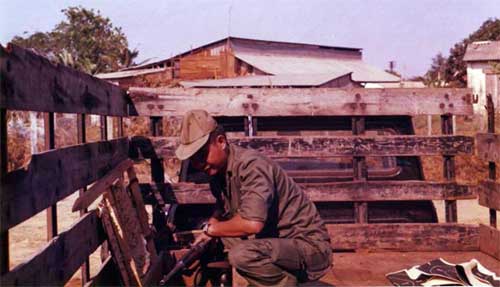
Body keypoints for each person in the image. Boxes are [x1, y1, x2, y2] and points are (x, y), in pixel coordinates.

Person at [175, 110, 332, 286]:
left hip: (308, 246)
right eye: (193, 159)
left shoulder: (252, 166)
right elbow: (223, 208)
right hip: (276, 242)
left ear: (221, 141)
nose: (198, 164)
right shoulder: (218, 172)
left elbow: (252, 223)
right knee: (217, 243)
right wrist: (210, 229)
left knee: (242, 254)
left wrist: (211, 230)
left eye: (201, 155)